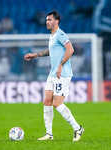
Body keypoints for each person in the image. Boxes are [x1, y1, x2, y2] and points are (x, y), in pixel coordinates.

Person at [24, 11, 84, 141]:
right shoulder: (52, 36)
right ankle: (49, 134)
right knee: (47, 101)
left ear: (56, 21)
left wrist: (61, 65)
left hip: (62, 73)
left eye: (49, 19)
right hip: (53, 73)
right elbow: (50, 51)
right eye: (46, 19)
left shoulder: (60, 34)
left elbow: (70, 49)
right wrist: (35, 55)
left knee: (57, 103)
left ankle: (77, 128)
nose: (47, 22)